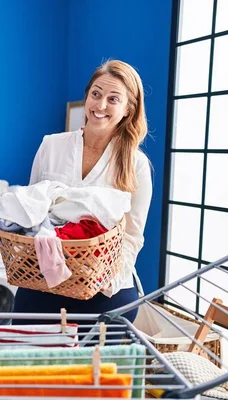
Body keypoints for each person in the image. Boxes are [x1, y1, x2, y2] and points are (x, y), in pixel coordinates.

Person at [13, 60, 152, 323]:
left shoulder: (136, 164)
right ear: (87, 96)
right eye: (96, 94)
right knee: (27, 361)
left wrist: (99, 278)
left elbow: (132, 237)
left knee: (95, 365)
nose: (100, 106)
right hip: (45, 279)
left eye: (113, 99)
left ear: (127, 109)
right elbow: (30, 212)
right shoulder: (51, 146)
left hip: (105, 290)